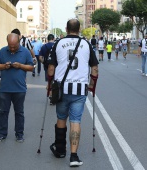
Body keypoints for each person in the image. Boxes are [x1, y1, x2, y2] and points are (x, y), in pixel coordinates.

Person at [47, 19, 99, 167]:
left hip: (61, 89)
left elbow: (51, 69)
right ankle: (74, 156)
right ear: (79, 28)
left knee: (61, 118)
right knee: (75, 120)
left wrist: (49, 85)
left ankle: (61, 149)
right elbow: (94, 68)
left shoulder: (58, 43)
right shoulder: (87, 44)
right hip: (80, 89)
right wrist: (91, 85)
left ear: (66, 28)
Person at [0, 33, 34, 143]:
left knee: (19, 112)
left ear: (18, 42)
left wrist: (20, 66)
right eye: (10, 45)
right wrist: (4, 66)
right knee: (3, 112)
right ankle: (1, 134)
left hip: (19, 89)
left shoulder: (25, 52)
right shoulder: (2, 51)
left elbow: (31, 67)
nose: (12, 48)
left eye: (14, 46)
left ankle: (19, 134)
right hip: (4, 89)